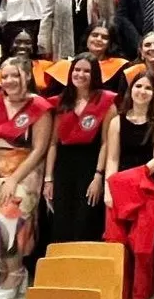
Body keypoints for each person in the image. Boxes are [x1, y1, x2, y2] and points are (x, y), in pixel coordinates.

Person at [0, 57, 53, 299]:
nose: (9, 81)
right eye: (4, 76)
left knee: (7, 214)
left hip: (25, 170)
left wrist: (14, 179)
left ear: (27, 76)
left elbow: (39, 149)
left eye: (15, 75)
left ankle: (16, 272)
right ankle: (4, 269)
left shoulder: (39, 107)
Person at [102, 69, 154, 299]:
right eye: (138, 86)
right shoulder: (117, 121)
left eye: (148, 88)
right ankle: (119, 291)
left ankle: (141, 292)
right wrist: (109, 189)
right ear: (131, 90)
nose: (142, 91)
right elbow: (112, 159)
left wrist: (136, 177)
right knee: (117, 243)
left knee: (142, 246)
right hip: (119, 187)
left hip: (147, 186)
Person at [43, 53, 116, 243]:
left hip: (91, 166)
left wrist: (99, 177)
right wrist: (48, 179)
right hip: (63, 167)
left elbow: (106, 143)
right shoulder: (60, 102)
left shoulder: (106, 101)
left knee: (85, 223)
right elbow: (52, 144)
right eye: (77, 70)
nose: (80, 74)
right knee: (61, 224)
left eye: (86, 71)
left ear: (95, 75)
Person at [44, 20, 128, 94]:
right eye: (94, 35)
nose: (99, 39)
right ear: (87, 38)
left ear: (111, 43)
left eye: (104, 37)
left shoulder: (120, 67)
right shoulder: (65, 64)